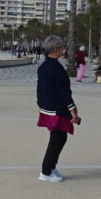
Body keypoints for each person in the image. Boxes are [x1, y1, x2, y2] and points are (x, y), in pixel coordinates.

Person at [36, 35, 80, 183]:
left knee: (59, 137)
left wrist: (40, 105)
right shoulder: (56, 68)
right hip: (56, 109)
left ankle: (51, 167)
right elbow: (64, 92)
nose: (63, 50)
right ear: (55, 50)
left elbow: (40, 89)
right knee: (58, 138)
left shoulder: (43, 66)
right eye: (61, 48)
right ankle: (46, 171)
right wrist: (73, 109)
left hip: (47, 108)